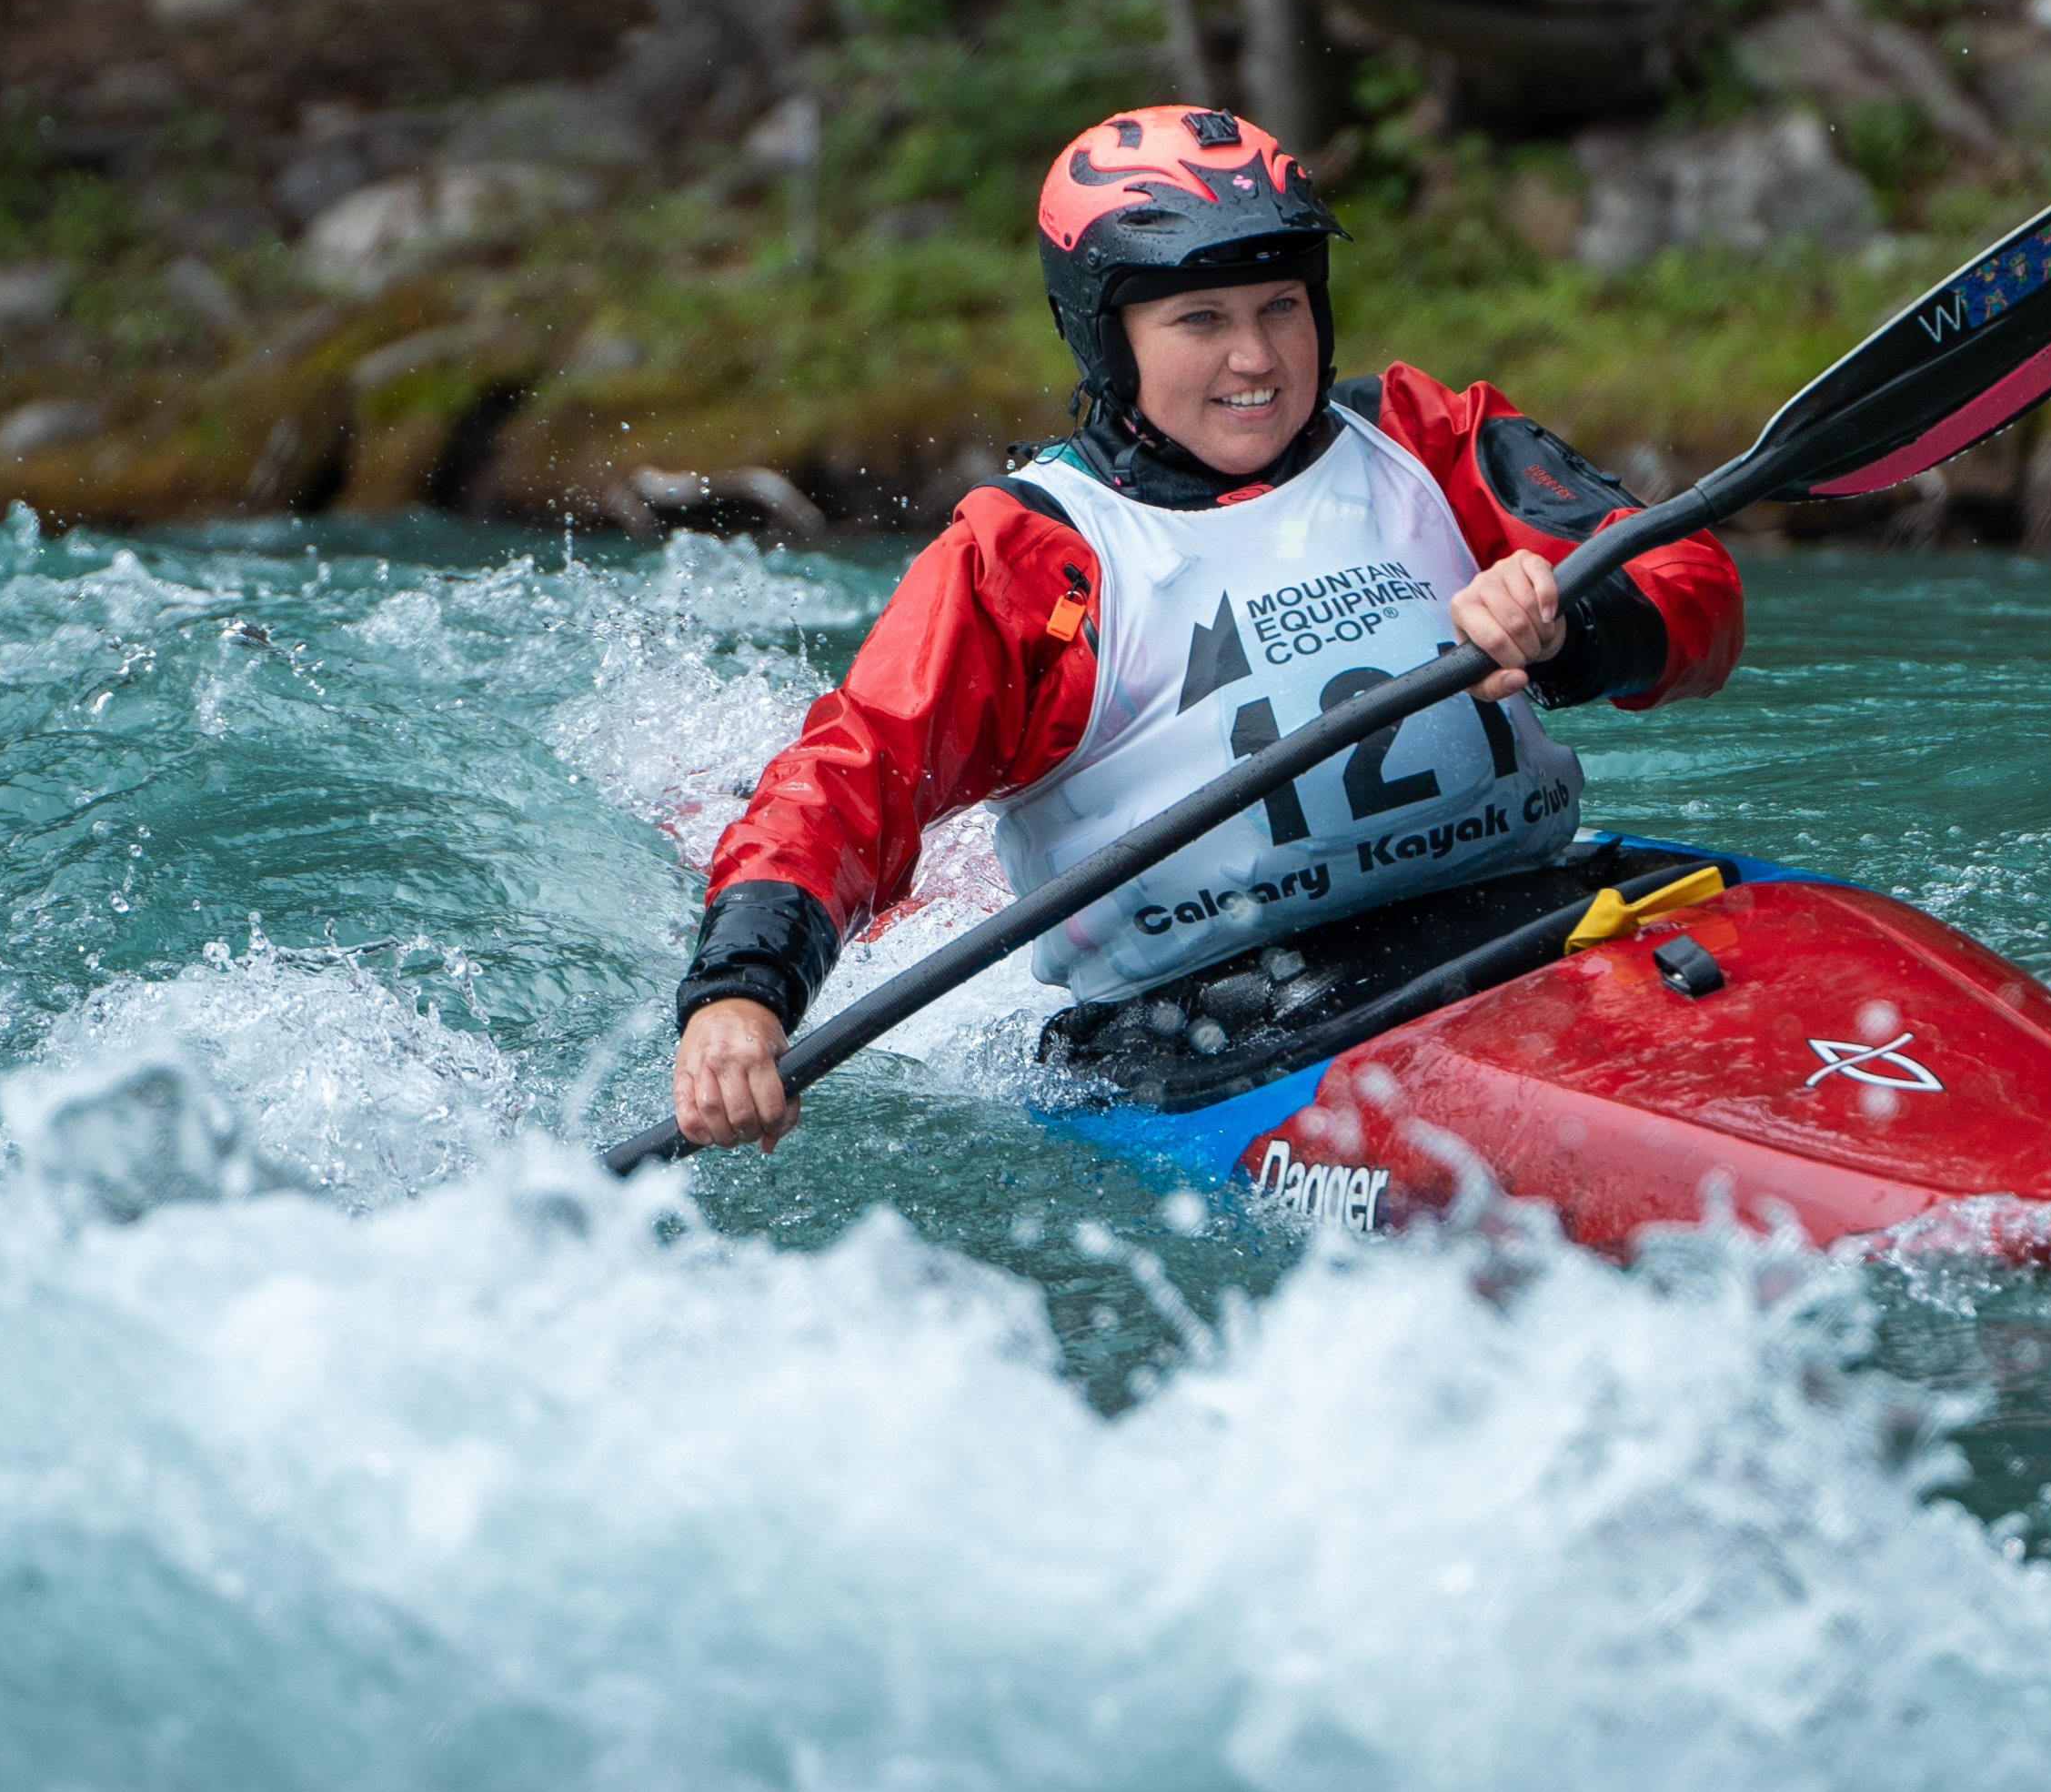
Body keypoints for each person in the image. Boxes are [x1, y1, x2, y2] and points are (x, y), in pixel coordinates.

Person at [665, 105, 1744, 1150]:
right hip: (1217, 1024)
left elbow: (1689, 582)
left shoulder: (1428, 439)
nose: (1257, 359)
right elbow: (859, 770)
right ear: (1105, 336)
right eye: (1201, 321)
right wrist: (743, 993)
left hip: (1533, 915)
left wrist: (1569, 623)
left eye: (1280, 306)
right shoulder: (1034, 554)